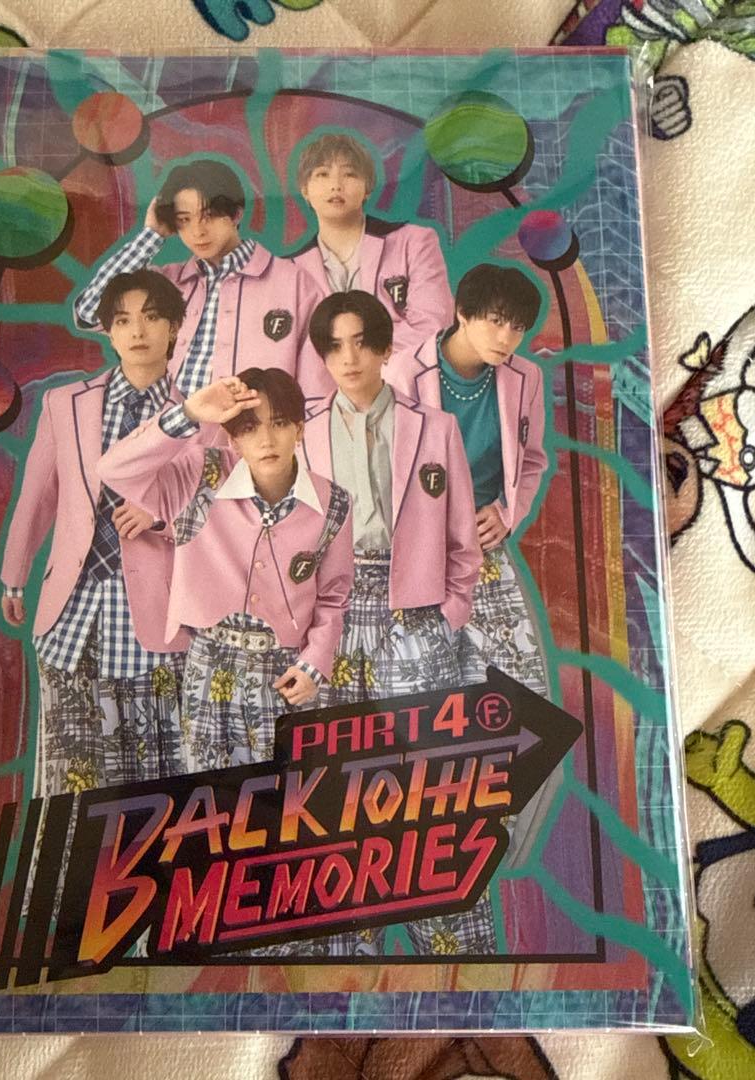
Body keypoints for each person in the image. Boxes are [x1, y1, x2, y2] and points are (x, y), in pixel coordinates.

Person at [387, 261, 550, 958]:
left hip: (482, 551)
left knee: (527, 700)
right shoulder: (403, 370)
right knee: (422, 704)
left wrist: (508, 513)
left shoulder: (524, 378)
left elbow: (532, 459)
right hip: (411, 553)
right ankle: (421, 849)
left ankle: (478, 831)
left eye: (518, 327)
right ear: (461, 310)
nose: (506, 337)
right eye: (495, 320)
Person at [98, 367, 353, 774]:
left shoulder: (334, 503)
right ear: (232, 440)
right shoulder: (202, 474)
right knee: (210, 793)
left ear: (300, 430)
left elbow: (334, 595)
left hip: (285, 671)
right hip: (208, 665)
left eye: (279, 424)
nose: (266, 440)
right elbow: (115, 469)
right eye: (250, 429)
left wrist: (315, 662)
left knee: (286, 790)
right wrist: (188, 413)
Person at [0, 269, 190, 795]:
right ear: (108, 330)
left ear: (175, 326)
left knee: (154, 767)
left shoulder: (197, 412)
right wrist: (15, 576)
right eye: (123, 320)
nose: (138, 331)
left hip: (158, 610)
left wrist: (161, 515)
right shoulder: (66, 403)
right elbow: (38, 494)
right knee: (69, 766)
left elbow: (224, 509)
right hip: (71, 608)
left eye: (152, 318)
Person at [303, 290, 480, 706]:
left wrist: (449, 615)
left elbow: (463, 537)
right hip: (331, 611)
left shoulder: (437, 428)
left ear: (385, 349)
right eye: (335, 346)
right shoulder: (302, 432)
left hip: (417, 610)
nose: (349, 358)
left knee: (420, 736)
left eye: (362, 343)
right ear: (323, 357)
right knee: (337, 738)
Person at [73, 158, 333, 408]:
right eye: (184, 220)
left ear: (235, 214)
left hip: (250, 434)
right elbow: (90, 312)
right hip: (166, 431)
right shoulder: (166, 283)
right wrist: (152, 235)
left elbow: (317, 392)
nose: (197, 231)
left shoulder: (294, 283)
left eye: (208, 216)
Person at [290, 132, 454, 355]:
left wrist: (362, 356)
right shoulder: (290, 270)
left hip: (406, 374)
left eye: (349, 174)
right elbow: (294, 350)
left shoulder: (414, 242)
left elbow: (433, 326)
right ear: (305, 190)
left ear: (367, 188)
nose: (335, 185)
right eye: (322, 174)